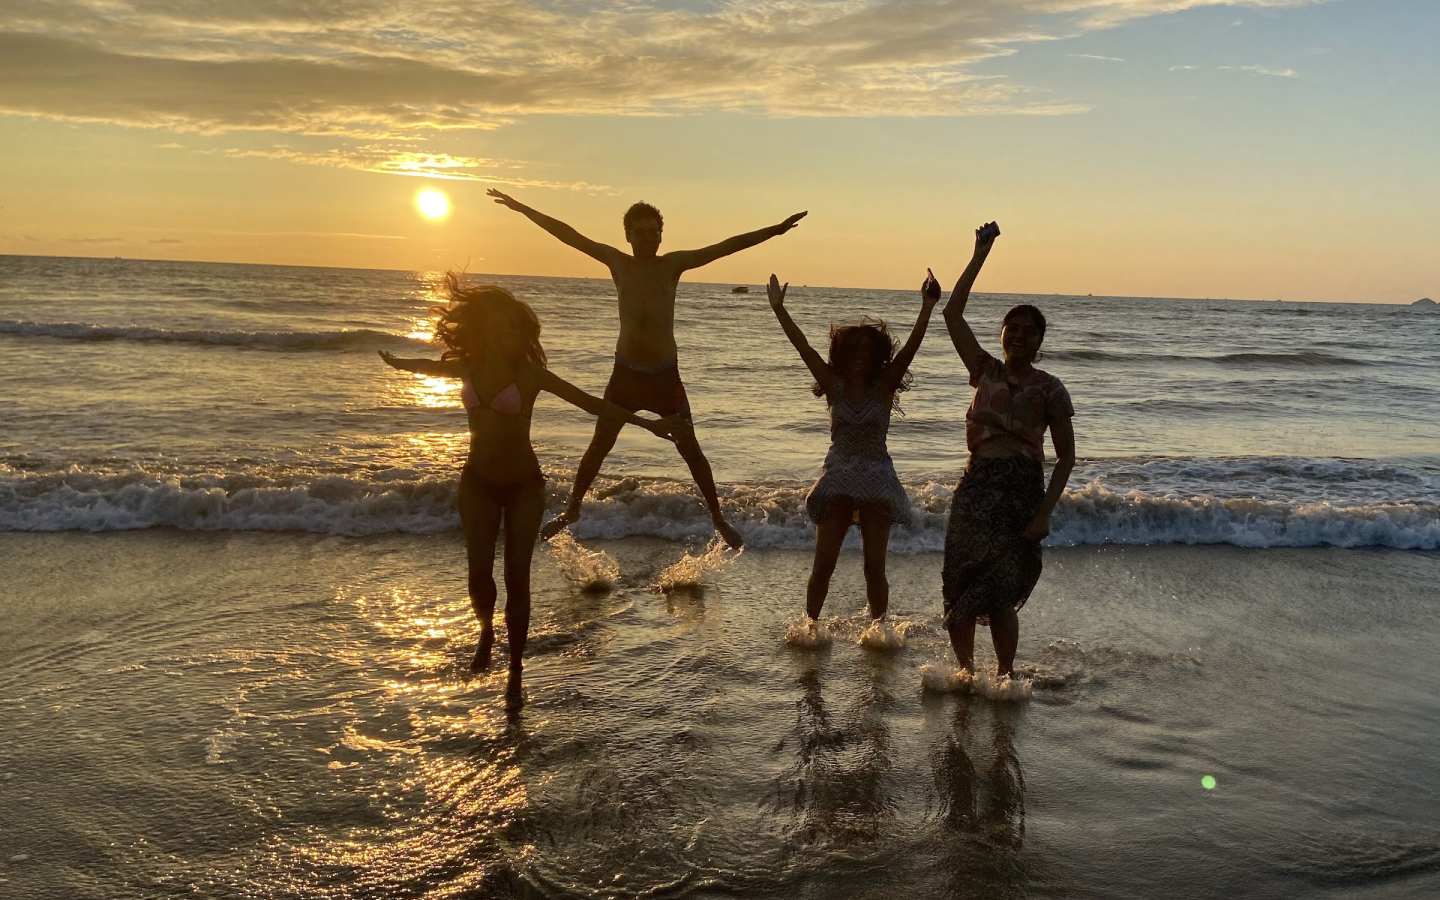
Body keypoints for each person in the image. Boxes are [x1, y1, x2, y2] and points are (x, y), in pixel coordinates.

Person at [379, 274, 680, 701]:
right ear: (487, 329)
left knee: (516, 578)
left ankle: (515, 670)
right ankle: (486, 632)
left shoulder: (531, 374)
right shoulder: (469, 366)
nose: (507, 335)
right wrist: (401, 365)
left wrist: (649, 422)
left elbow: (593, 403)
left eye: (513, 329)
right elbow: (433, 368)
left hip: (524, 486)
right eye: (499, 328)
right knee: (479, 572)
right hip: (477, 482)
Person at [486, 188, 807, 549]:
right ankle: (572, 511)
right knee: (599, 447)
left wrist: (775, 230)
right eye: (639, 232)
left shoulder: (672, 264)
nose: (646, 239)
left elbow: (726, 246)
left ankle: (717, 517)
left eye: (653, 232)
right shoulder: (616, 261)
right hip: (625, 374)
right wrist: (520, 207)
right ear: (627, 234)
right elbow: (568, 234)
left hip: (664, 376)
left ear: (661, 235)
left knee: (691, 450)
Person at [939, 223, 1076, 680]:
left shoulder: (1050, 389)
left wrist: (1044, 514)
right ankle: (964, 675)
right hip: (976, 484)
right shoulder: (984, 370)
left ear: (1039, 342)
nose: (1019, 336)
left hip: (1019, 492)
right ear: (1001, 334)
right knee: (959, 583)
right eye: (1011, 329)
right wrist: (979, 255)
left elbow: (1066, 458)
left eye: (1029, 332)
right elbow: (953, 314)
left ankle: (1003, 676)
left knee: (999, 590)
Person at [765, 271, 940, 623]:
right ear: (843, 354)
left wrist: (928, 306)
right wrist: (779, 310)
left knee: (874, 570)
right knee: (823, 567)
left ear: (875, 356)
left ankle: (879, 631)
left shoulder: (885, 385)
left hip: (877, 479)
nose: (860, 356)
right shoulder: (834, 384)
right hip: (838, 478)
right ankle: (809, 627)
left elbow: (910, 349)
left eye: (866, 350)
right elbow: (804, 348)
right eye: (854, 350)